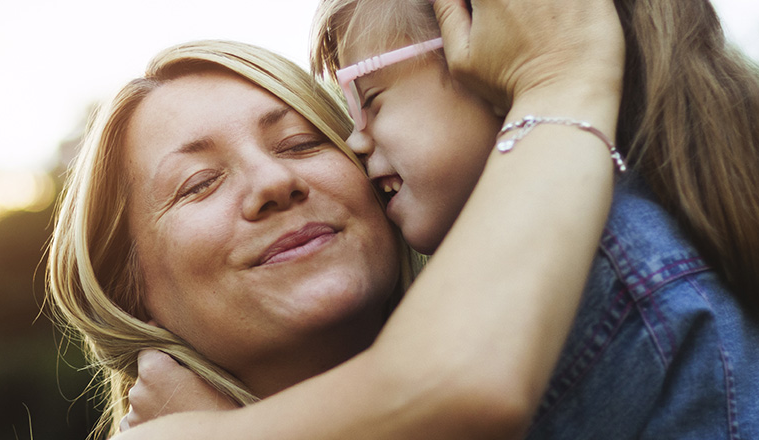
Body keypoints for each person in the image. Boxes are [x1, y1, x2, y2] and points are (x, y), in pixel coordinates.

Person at [122, 0, 759, 438]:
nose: (360, 144)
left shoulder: (595, 283)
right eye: (199, 183)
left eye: (302, 143)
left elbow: (466, 388)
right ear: (128, 290)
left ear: (493, 64)